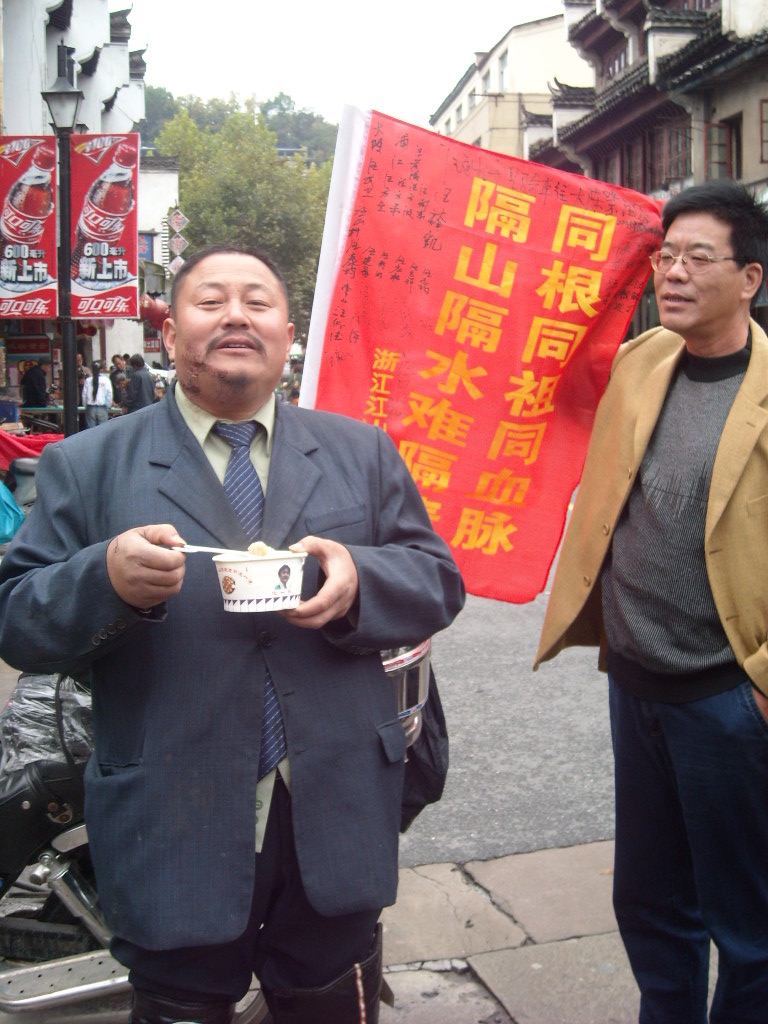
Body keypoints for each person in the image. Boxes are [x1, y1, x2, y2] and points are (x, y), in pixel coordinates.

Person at [0, 244, 465, 1024]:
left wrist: (361, 581)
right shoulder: (89, 464)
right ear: (170, 336)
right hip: (169, 808)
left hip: (333, 806)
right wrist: (103, 579)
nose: (235, 316)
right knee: (183, 1001)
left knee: (328, 998)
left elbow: (436, 581)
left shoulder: (361, 452)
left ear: (288, 333)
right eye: (209, 301)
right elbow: (19, 620)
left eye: (257, 300)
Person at [535, 180, 768, 1023]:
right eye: (665, 256)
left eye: (696, 257)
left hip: (729, 697)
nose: (671, 272)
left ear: (749, 278)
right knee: (651, 905)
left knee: (748, 925)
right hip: (634, 685)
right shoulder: (642, 364)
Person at [82, 361, 113, 428]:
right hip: (102, 408)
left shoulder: (88, 380)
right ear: (101, 370)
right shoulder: (106, 380)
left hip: (90, 408)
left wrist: (85, 406)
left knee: (91, 430)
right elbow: (109, 394)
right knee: (102, 430)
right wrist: (108, 405)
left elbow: (84, 395)